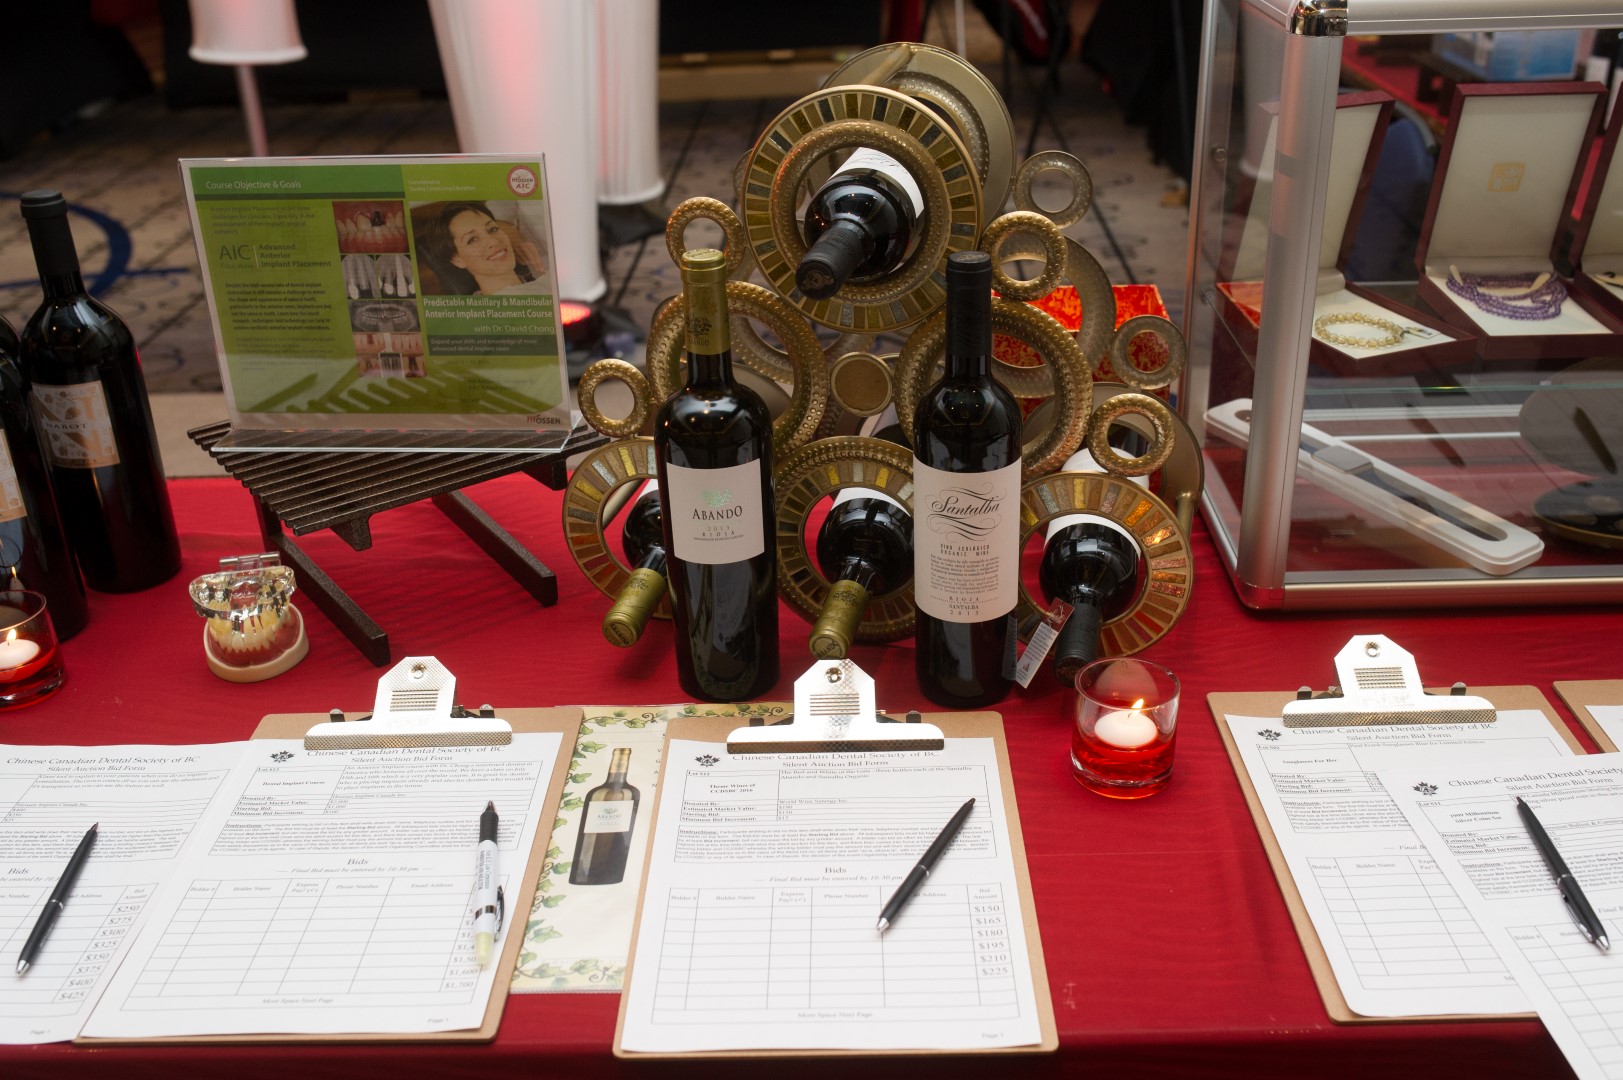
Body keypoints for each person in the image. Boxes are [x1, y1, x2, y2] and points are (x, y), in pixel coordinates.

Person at [418, 201, 547, 296]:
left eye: (493, 229)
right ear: (457, 259)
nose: (493, 241)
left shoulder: (547, 284)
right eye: (472, 239)